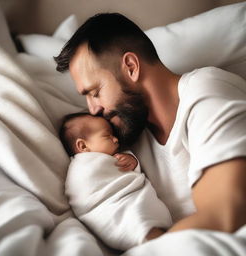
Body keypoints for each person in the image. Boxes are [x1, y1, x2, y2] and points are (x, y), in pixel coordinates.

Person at [54, 12, 246, 249]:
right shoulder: (126, 140)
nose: (93, 110)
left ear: (131, 67)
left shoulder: (207, 90)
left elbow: (224, 216)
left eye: (95, 93)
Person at [59, 112, 172, 250]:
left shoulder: (118, 157)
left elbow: (130, 173)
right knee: (140, 224)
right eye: (107, 136)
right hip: (111, 210)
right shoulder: (80, 167)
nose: (116, 140)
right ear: (83, 146)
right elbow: (80, 196)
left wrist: (132, 161)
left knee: (145, 219)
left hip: (133, 199)